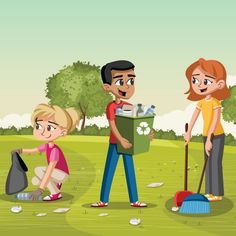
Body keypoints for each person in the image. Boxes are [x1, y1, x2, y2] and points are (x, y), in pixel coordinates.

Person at [91, 60, 154, 208]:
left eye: (131, 80)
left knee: (130, 172)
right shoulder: (111, 107)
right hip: (115, 144)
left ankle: (135, 200)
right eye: (120, 81)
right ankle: (103, 200)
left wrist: (146, 135)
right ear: (107, 87)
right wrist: (121, 140)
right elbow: (112, 125)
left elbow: (136, 124)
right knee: (109, 171)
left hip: (128, 144)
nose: (127, 85)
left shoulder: (130, 106)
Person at [184, 58, 230, 202]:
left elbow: (215, 122)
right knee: (207, 163)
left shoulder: (216, 102)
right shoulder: (201, 102)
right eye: (195, 81)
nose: (199, 85)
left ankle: (217, 193)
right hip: (206, 136)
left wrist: (210, 139)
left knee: (214, 163)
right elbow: (194, 117)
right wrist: (188, 132)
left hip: (216, 136)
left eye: (206, 81)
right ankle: (209, 192)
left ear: (219, 84)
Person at [12, 104, 80, 201]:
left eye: (49, 128)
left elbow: (49, 170)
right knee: (35, 180)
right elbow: (35, 150)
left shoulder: (55, 151)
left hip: (62, 174)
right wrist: (20, 150)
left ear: (62, 132)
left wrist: (40, 190)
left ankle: (56, 193)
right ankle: (55, 184)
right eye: (39, 126)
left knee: (39, 171)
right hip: (56, 173)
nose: (43, 132)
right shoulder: (47, 146)